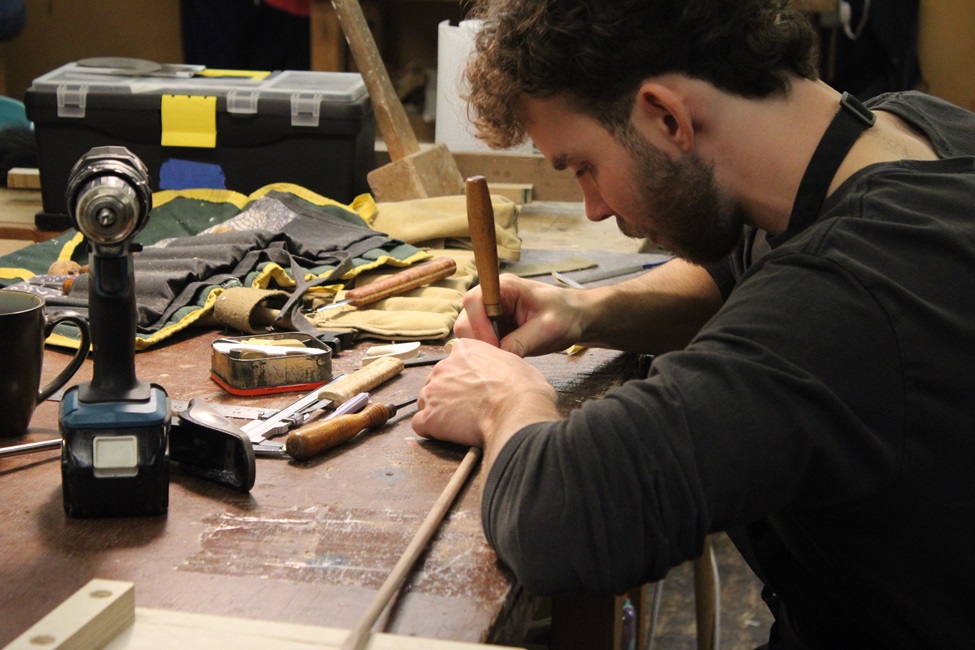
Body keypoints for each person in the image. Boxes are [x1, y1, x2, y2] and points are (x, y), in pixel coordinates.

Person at [410, 0, 975, 647]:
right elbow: (734, 269)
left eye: (584, 166)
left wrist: (504, 398)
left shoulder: (845, 299)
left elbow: (559, 520)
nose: (593, 208)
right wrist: (587, 310)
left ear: (666, 117)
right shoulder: (914, 130)